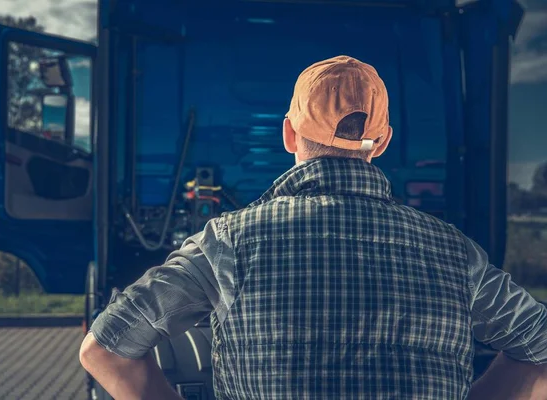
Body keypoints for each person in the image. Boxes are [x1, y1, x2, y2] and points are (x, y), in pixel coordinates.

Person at [79, 56, 547, 399]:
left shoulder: (226, 243)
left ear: (288, 134)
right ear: (381, 142)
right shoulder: (454, 253)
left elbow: (103, 350)